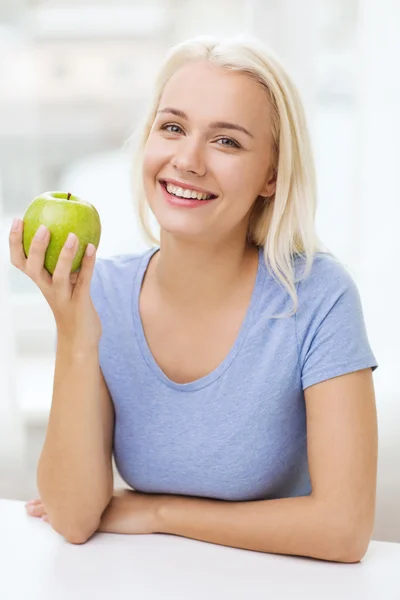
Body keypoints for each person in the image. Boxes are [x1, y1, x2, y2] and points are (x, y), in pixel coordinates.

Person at [10, 34, 378, 563]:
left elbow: (343, 530)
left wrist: (159, 512)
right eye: (173, 127)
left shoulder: (317, 296)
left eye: (226, 141)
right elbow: (71, 516)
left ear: (271, 176)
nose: (187, 159)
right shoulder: (103, 293)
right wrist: (75, 334)